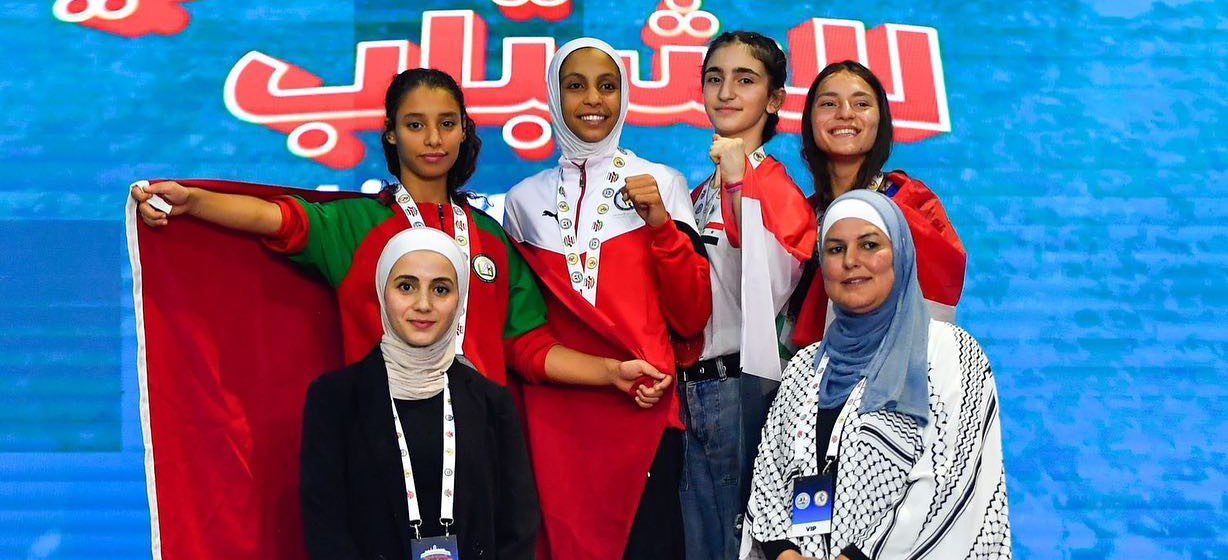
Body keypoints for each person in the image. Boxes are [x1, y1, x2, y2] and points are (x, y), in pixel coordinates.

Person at [129, 68, 668, 399]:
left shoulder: (489, 237)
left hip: (480, 444)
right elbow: (275, 218)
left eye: (447, 124)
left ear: (464, 131)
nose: (433, 139)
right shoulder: (356, 225)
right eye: (415, 125)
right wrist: (196, 202)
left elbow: (526, 346)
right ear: (390, 133)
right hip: (381, 443)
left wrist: (609, 372)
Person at [501, 38, 712, 560]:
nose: (593, 99)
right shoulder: (522, 201)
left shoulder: (663, 183)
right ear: (555, 96)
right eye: (576, 86)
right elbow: (523, 327)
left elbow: (691, 316)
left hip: (645, 410)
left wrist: (660, 226)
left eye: (607, 86)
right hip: (556, 421)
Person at [745, 190, 1011, 560]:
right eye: (835, 249)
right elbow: (769, 474)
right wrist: (785, 553)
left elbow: (953, 478)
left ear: (901, 255)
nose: (851, 261)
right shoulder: (805, 367)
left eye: (869, 245)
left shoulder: (948, 352)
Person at [299, 228, 540, 559]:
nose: (423, 304)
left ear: (460, 300)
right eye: (406, 286)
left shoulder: (492, 402)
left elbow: (519, 527)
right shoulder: (334, 399)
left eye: (441, 289)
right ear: (383, 292)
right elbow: (326, 529)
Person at [682, 31, 816, 560]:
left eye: (745, 80)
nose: (726, 92)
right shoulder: (699, 191)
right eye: (714, 78)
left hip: (743, 391)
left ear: (775, 99)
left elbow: (773, 283)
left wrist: (741, 185)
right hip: (689, 391)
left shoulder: (776, 187)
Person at [789, 61, 966, 350]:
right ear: (809, 120)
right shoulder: (798, 216)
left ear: (881, 120)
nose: (845, 113)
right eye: (829, 103)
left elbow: (941, 297)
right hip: (804, 371)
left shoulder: (912, 204)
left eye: (861, 104)